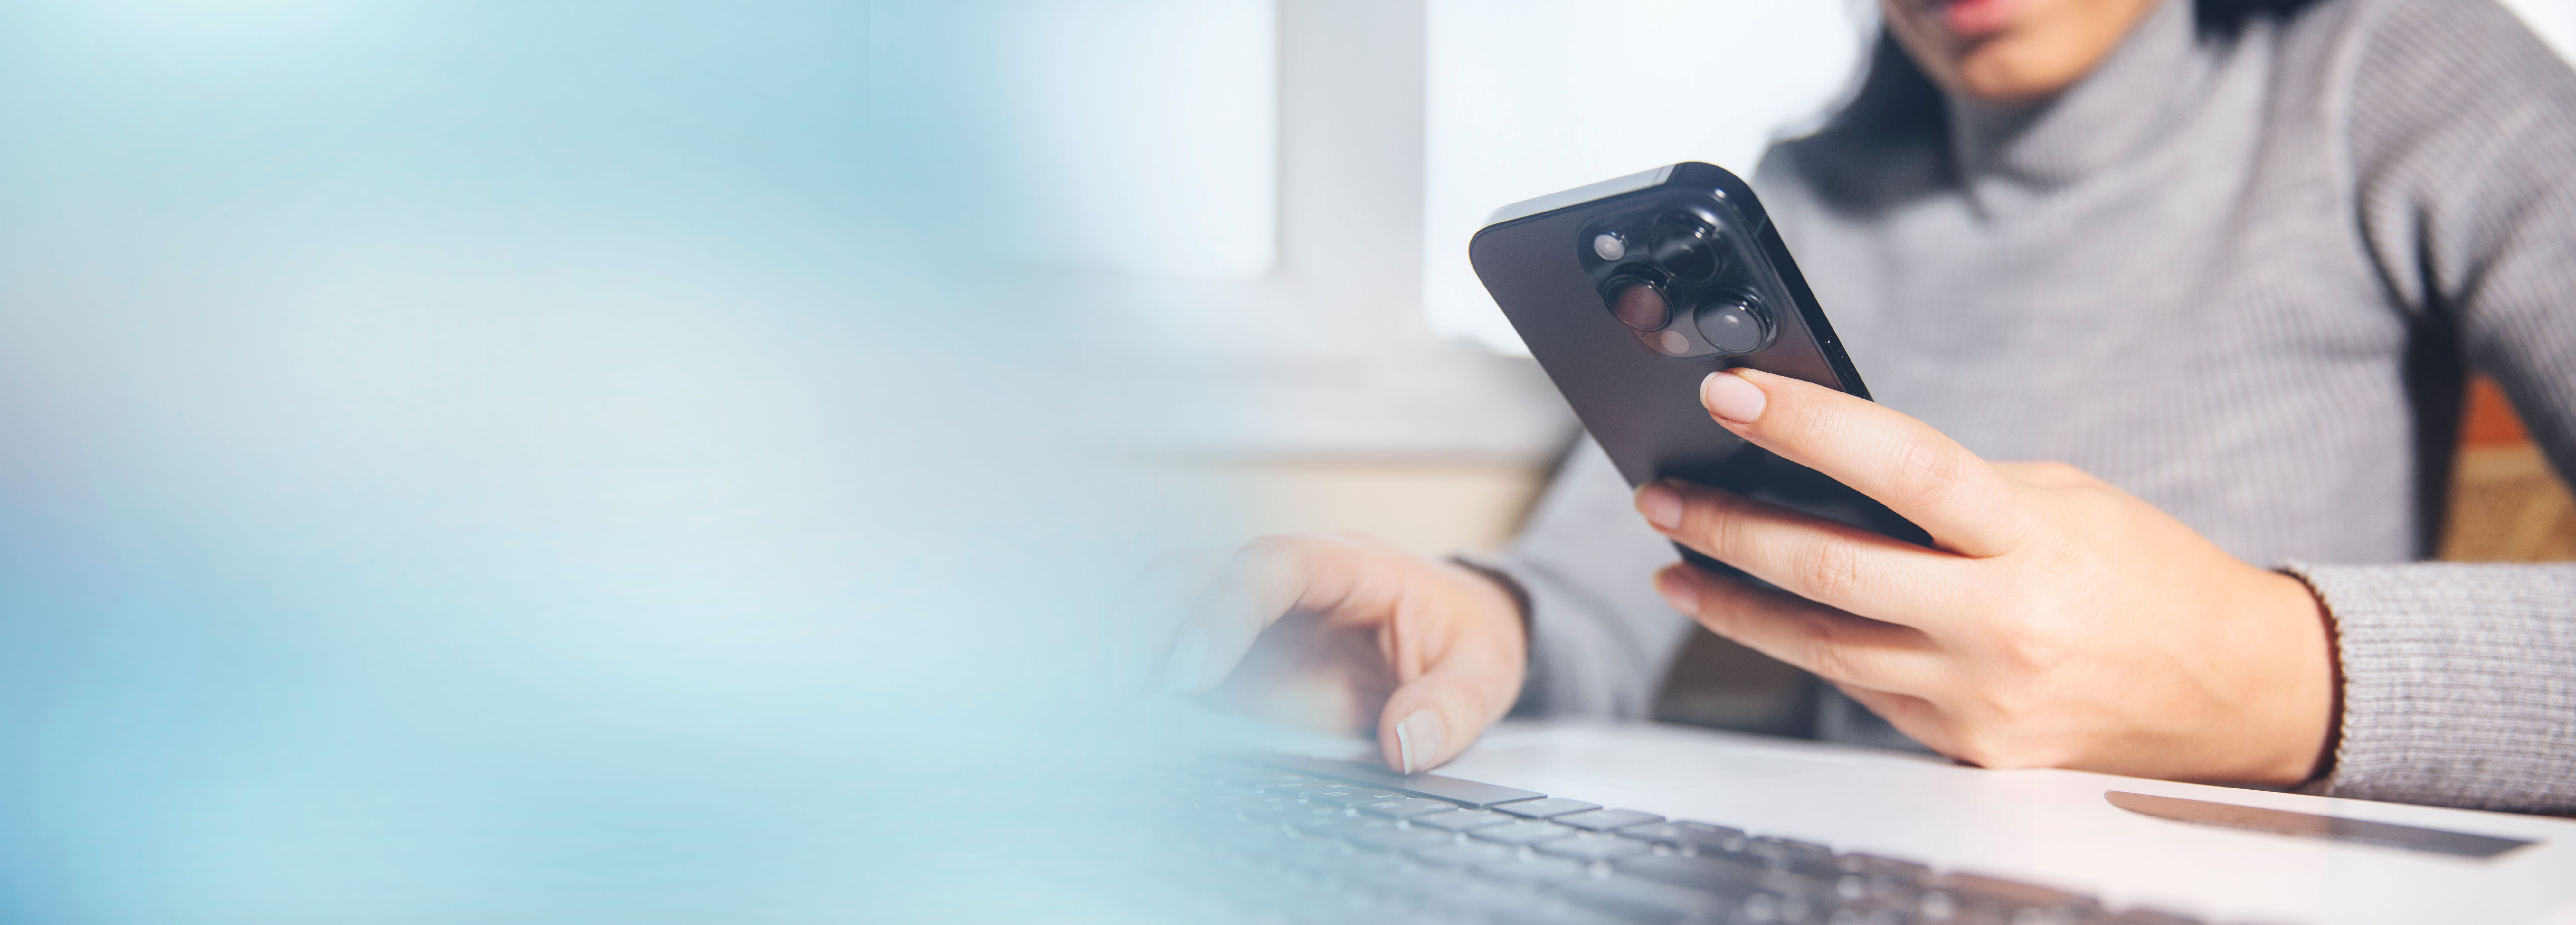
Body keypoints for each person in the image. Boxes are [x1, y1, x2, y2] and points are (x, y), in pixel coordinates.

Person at [1157, 0, 2576, 813]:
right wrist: (1477, 624)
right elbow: (1611, 579)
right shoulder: (1818, 187)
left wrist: (2280, 673)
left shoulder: (2394, 69)